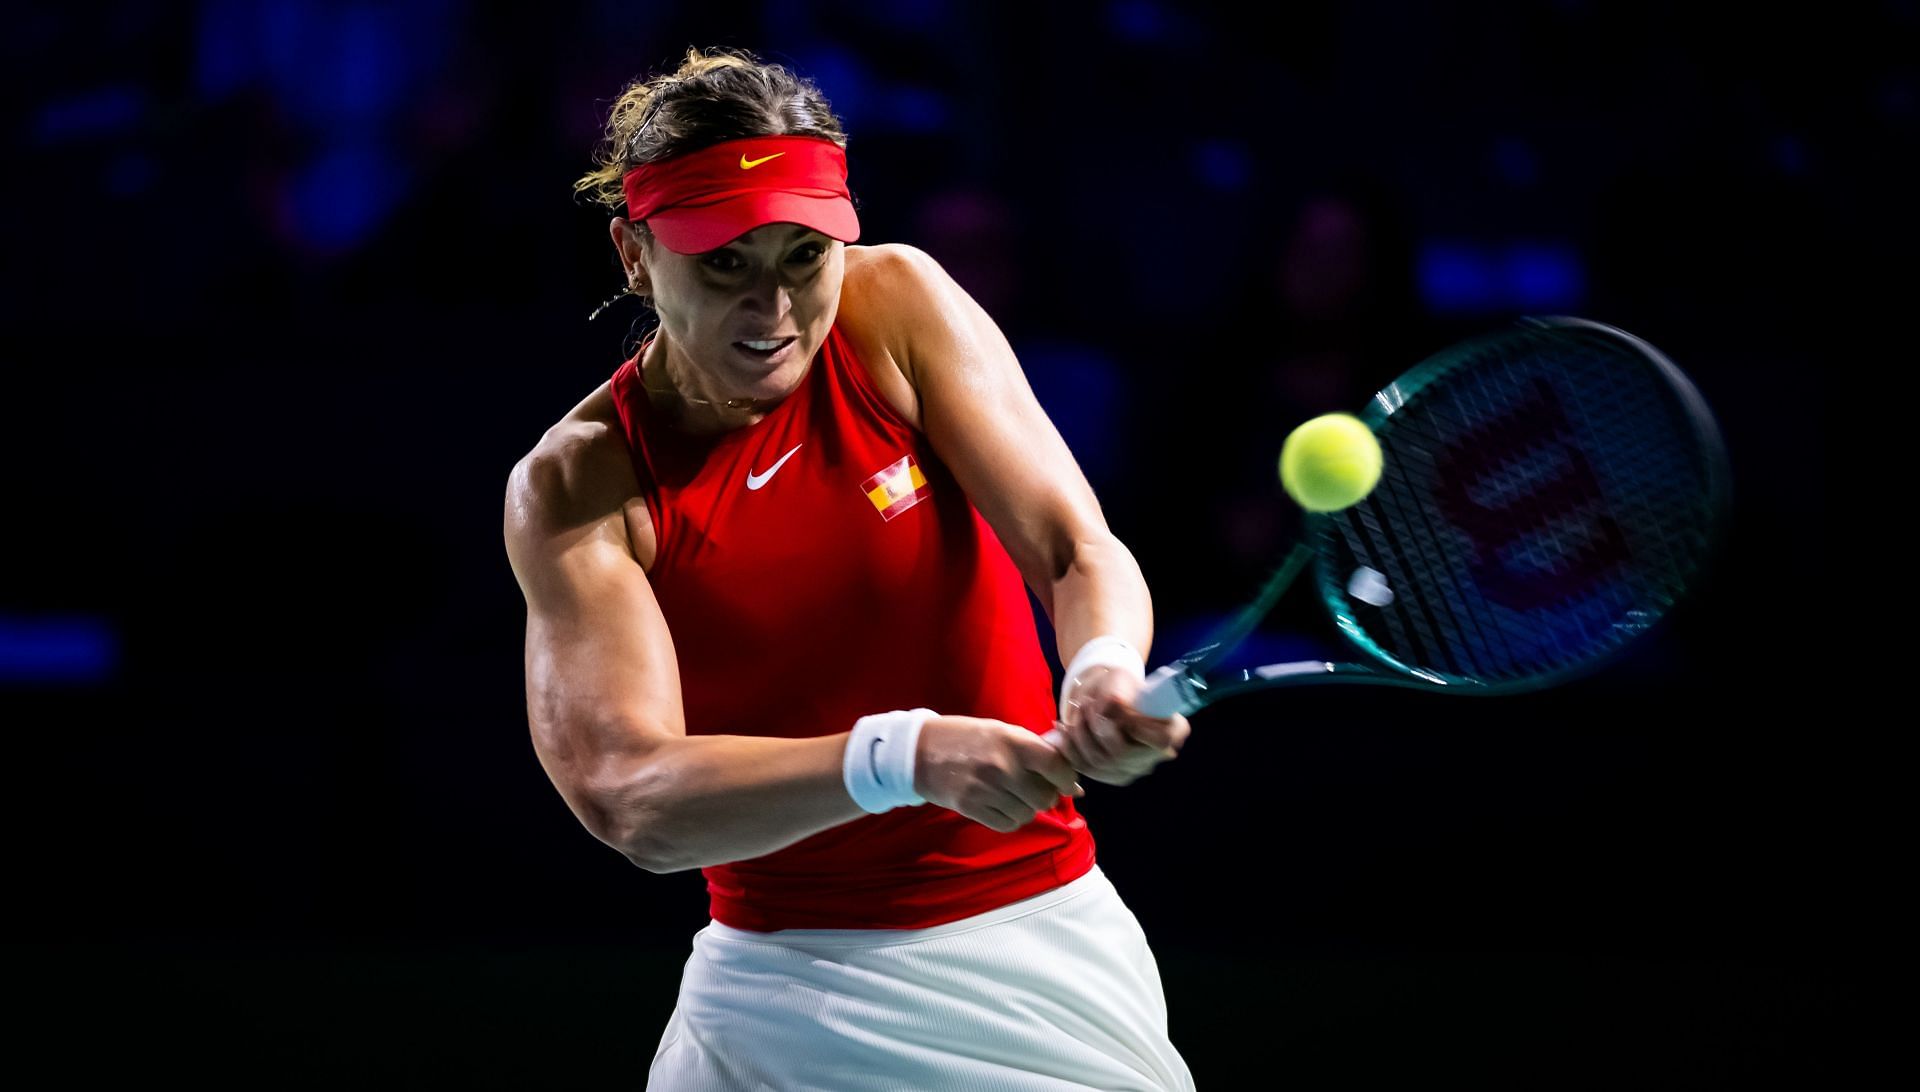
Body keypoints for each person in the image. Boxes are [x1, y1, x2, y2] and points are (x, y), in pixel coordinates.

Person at [504, 46, 1196, 1091]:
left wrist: (1100, 664)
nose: (772, 310)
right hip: (778, 991)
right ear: (635, 257)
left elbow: (1072, 548)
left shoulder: (897, 307)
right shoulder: (581, 483)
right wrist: (902, 757)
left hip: (1036, 946)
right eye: (723, 262)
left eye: (801, 257)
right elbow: (629, 798)